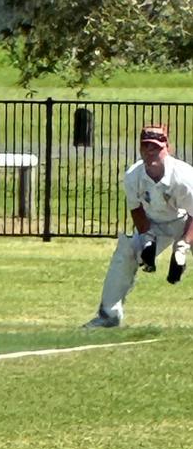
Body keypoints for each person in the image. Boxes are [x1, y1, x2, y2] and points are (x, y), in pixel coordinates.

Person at [83, 123, 193, 328]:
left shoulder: (184, 177)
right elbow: (136, 209)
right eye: (146, 147)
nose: (150, 153)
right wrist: (148, 238)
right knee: (127, 252)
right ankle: (109, 316)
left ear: (166, 148)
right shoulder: (134, 175)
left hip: (186, 221)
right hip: (155, 224)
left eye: (156, 148)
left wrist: (182, 247)